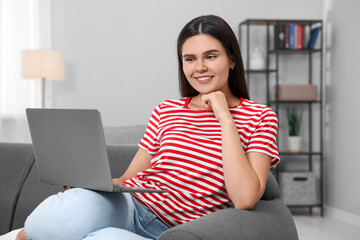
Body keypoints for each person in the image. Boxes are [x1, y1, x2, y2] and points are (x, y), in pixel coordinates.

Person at [16, 15, 279, 240]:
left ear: (232, 60)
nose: (199, 68)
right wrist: (90, 187)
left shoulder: (260, 117)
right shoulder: (167, 109)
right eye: (189, 59)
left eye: (211, 56)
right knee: (59, 217)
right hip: (130, 205)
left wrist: (224, 116)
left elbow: (245, 198)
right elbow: (130, 178)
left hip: (173, 231)